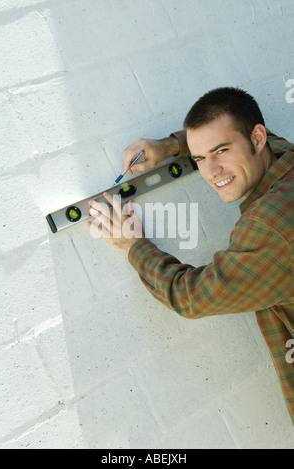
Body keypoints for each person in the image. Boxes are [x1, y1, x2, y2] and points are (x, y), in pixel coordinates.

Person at [88, 87, 294, 425]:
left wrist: (132, 245)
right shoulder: (283, 155)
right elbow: (240, 129)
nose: (211, 171)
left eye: (221, 152)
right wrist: (169, 147)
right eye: (200, 158)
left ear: (256, 140)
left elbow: (192, 296)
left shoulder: (270, 229)